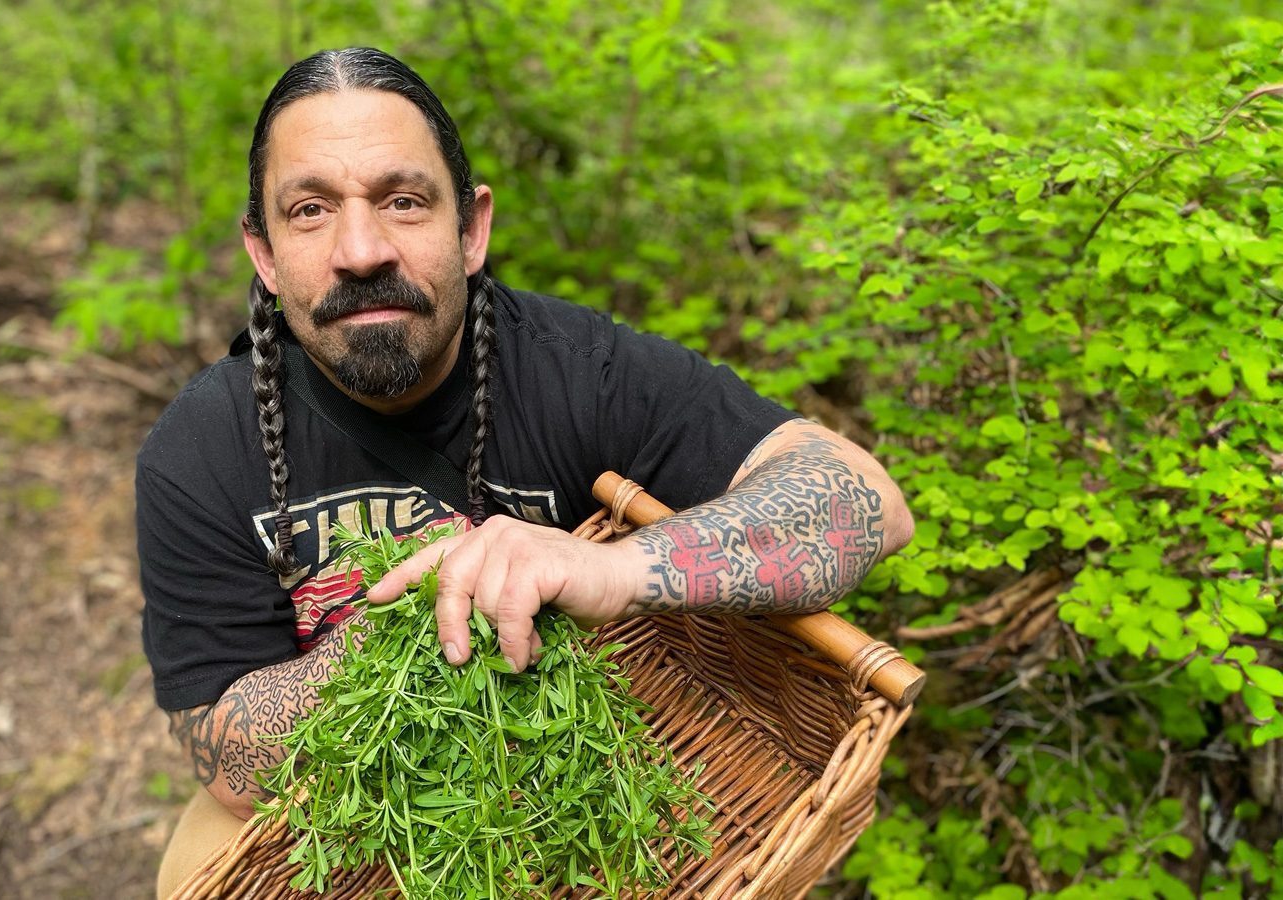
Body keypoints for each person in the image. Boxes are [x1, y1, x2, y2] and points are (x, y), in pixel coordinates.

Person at [138, 47, 915, 896]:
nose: (361, 251)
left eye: (403, 201)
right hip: (347, 802)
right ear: (265, 252)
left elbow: (864, 502)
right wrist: (398, 642)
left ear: (471, 230)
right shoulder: (201, 449)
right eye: (311, 209)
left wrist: (612, 568)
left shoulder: (579, 369)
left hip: (580, 771)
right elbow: (223, 756)